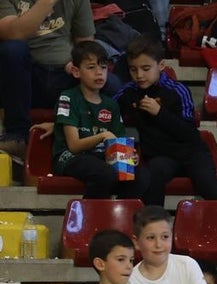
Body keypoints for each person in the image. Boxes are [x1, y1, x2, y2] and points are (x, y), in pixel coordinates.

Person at [0, 0, 95, 159]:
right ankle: (17, 135)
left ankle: (97, 137)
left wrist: (78, 65)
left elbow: (86, 44)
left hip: (65, 76)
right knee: (12, 50)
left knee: (110, 80)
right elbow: (13, 33)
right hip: (24, 79)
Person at [114, 35, 217, 205]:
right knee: (152, 174)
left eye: (145, 68)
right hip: (161, 157)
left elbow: (190, 134)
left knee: (208, 184)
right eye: (133, 69)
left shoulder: (177, 90)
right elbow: (109, 112)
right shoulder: (128, 92)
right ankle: (155, 225)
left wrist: (160, 113)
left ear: (161, 65)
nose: (139, 75)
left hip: (191, 153)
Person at [52, 40, 149, 200]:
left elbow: (118, 142)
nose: (99, 73)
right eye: (91, 67)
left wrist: (128, 156)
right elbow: (74, 146)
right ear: (76, 72)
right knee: (104, 173)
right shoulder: (67, 97)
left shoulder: (111, 104)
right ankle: (90, 220)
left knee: (140, 175)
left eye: (103, 67)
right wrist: (103, 136)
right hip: (70, 158)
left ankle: (118, 218)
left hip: (102, 158)